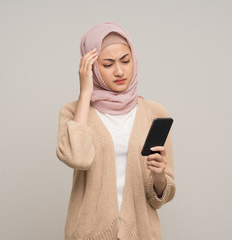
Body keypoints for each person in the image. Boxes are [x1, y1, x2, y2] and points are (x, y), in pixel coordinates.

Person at [56, 21, 176, 240]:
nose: (119, 71)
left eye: (125, 61)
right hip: (88, 233)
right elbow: (78, 159)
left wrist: (158, 175)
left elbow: (160, 197)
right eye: (108, 64)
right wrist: (85, 94)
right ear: (91, 67)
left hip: (141, 234)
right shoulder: (73, 112)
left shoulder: (155, 113)